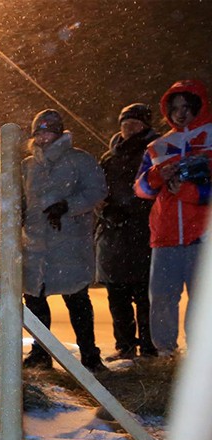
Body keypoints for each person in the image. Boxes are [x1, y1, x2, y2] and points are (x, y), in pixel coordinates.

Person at [21, 109, 108, 372]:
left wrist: (67, 206)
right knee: (35, 298)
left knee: (76, 297)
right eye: (39, 131)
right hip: (35, 243)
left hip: (68, 241)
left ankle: (90, 355)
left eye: (48, 131)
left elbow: (97, 190)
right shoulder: (27, 165)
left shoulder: (79, 160)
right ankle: (41, 352)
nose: (43, 137)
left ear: (59, 132)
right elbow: (20, 199)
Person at [135, 79, 212, 357]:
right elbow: (140, 189)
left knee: (203, 299)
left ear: (199, 106)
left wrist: (193, 192)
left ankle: (201, 354)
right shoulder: (158, 145)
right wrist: (156, 176)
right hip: (165, 235)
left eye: (187, 106)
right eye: (175, 107)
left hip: (202, 236)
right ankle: (165, 354)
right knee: (162, 298)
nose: (181, 113)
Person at [95, 103, 159, 360]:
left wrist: (133, 210)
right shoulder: (109, 157)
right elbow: (97, 191)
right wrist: (106, 210)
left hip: (144, 233)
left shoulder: (156, 151)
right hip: (113, 236)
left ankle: (150, 347)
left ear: (146, 125)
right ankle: (124, 347)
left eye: (135, 123)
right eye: (125, 123)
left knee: (145, 296)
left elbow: (156, 190)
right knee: (117, 294)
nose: (129, 128)